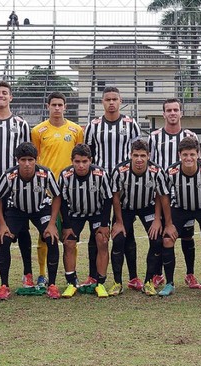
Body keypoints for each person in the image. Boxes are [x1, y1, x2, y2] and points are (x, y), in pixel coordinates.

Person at [84, 86, 140, 288]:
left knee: (126, 231)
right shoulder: (93, 126)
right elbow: (88, 154)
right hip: (99, 186)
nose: (111, 102)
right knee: (96, 232)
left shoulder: (130, 124)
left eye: (115, 99)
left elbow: (137, 151)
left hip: (123, 186)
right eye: (107, 99)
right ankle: (93, 275)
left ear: (120, 100)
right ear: (102, 102)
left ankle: (133, 277)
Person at [0, 81, 34, 288]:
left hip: (17, 186)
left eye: (5, 93)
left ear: (11, 98)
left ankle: (27, 273)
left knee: (22, 230)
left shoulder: (21, 124)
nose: (1, 95)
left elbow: (27, 153)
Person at [0, 142, 61, 300]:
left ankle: (52, 285)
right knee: (4, 239)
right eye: (23, 160)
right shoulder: (10, 176)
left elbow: (57, 196)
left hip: (40, 209)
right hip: (16, 210)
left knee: (51, 238)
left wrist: (51, 224)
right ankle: (4, 285)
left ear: (36, 159)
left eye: (30, 159)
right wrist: (2, 225)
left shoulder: (45, 174)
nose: (27, 164)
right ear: (17, 160)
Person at [110, 139, 176, 296]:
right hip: (126, 208)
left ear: (149, 156)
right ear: (130, 155)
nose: (139, 159)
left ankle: (148, 281)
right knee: (119, 239)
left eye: (142, 156)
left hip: (148, 207)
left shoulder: (156, 171)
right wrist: (118, 221)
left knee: (156, 239)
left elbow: (163, 196)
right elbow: (115, 196)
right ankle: (117, 283)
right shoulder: (120, 171)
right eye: (136, 155)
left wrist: (161, 220)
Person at [31, 92, 84, 287]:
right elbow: (35, 159)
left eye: (60, 104)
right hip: (47, 190)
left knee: (71, 234)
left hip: (69, 190)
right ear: (48, 106)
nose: (57, 108)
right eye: (53, 104)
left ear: (65, 107)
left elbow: (80, 157)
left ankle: (73, 273)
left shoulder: (76, 129)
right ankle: (43, 274)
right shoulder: (38, 130)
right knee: (45, 234)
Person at [161, 137, 201, 297]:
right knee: (167, 239)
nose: (189, 158)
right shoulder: (171, 172)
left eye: (192, 154)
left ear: (198, 155)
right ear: (179, 155)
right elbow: (164, 196)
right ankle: (169, 284)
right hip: (180, 208)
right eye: (185, 155)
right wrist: (168, 224)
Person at [148, 98, 200, 289]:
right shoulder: (154, 137)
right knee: (163, 233)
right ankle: (159, 274)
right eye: (168, 110)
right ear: (163, 114)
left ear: (181, 113)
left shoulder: (190, 135)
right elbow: (150, 164)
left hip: (185, 193)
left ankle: (190, 274)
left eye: (175, 110)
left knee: (187, 235)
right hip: (162, 193)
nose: (172, 113)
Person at [58, 143, 113, 298]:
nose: (81, 165)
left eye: (84, 161)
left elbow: (108, 199)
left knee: (102, 241)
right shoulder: (65, 175)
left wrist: (104, 224)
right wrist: (66, 226)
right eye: (77, 162)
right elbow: (61, 201)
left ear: (91, 160)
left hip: (97, 213)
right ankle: (71, 282)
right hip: (75, 213)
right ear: (72, 161)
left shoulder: (100, 175)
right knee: (69, 242)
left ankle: (100, 283)